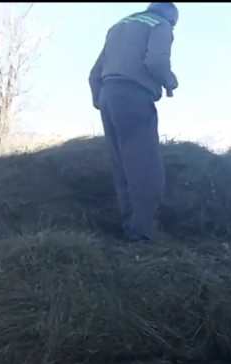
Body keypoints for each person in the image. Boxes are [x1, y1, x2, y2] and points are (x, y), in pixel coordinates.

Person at [88, 2, 180, 244]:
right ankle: (142, 235)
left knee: (122, 167)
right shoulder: (161, 25)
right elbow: (156, 62)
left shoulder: (119, 26)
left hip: (109, 94)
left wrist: (101, 100)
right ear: (171, 18)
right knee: (146, 169)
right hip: (134, 96)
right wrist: (170, 82)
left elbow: (93, 73)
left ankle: (129, 226)